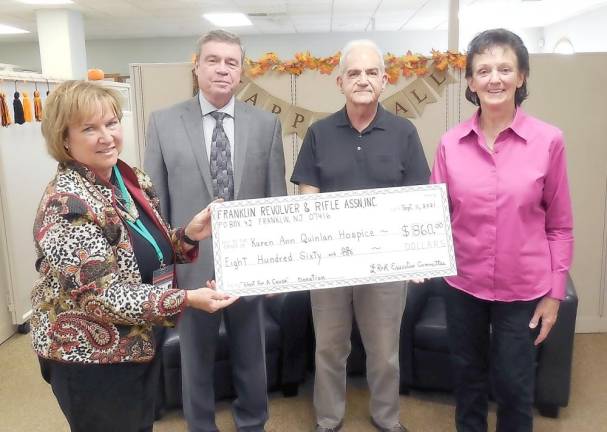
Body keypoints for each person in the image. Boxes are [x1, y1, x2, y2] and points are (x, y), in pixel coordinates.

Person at [31, 80, 238, 432]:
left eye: (111, 123)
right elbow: (101, 295)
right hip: (91, 357)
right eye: (89, 128)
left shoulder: (128, 179)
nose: (107, 136)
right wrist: (186, 299)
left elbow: (142, 252)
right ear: (64, 139)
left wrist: (188, 235)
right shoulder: (67, 204)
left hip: (137, 340)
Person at [430, 28, 574, 432]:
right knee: (468, 384)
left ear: (522, 76)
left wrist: (555, 294)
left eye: (505, 69)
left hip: (523, 290)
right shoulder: (450, 144)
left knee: (514, 389)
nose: (495, 78)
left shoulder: (549, 141)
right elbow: (432, 217)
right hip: (463, 286)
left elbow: (560, 225)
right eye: (484, 70)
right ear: (471, 82)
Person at [144, 29, 287, 432]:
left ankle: (252, 423)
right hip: (189, 269)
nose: (222, 69)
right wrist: (164, 277)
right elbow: (155, 208)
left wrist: (277, 266)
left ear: (241, 71)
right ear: (196, 65)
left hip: (250, 265)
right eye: (213, 60)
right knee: (195, 361)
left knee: (250, 356)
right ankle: (200, 426)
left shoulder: (266, 125)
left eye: (231, 62)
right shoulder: (164, 122)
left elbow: (275, 199)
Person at [291, 39, 429, 432]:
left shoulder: (404, 132)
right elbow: (308, 192)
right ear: (340, 82)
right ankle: (328, 420)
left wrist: (417, 253)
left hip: (385, 264)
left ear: (385, 80)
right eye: (354, 73)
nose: (362, 80)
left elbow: (417, 197)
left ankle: (387, 418)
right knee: (329, 349)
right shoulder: (319, 132)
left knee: (384, 352)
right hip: (330, 266)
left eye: (371, 73)